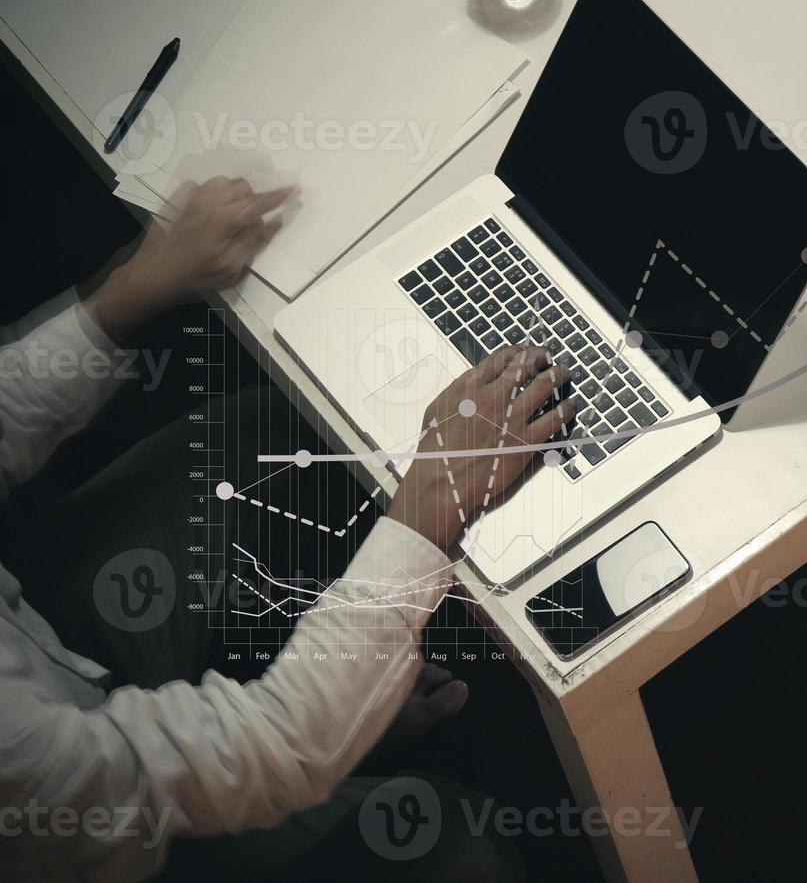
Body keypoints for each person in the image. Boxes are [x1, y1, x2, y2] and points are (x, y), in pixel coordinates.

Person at [0, 178, 580, 881]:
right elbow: (278, 745)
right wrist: (434, 504)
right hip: (95, 846)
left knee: (271, 439)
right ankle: (347, 713)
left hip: (37, 647)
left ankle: (337, 681)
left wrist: (130, 290)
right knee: (455, 850)